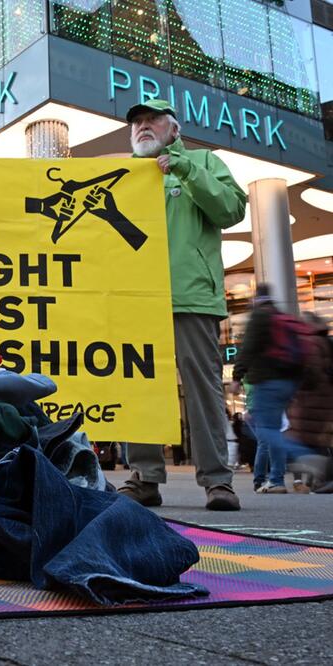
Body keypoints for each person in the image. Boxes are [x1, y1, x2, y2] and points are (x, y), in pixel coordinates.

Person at [117, 99, 246, 511]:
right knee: (137, 387)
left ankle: (217, 482)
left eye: (152, 119)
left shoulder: (203, 161)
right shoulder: (124, 176)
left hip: (190, 296)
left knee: (202, 387)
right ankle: (144, 476)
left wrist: (186, 170)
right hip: (136, 298)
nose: (142, 126)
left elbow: (231, 209)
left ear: (174, 130)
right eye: (136, 122)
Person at [231, 285, 331, 493]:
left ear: (256, 299)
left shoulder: (260, 317)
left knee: (266, 432)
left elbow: (248, 348)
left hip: (268, 382)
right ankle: (277, 478)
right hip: (290, 383)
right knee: (274, 430)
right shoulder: (283, 317)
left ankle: (299, 459)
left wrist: (237, 377)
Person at [283, 311, 333, 491]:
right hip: (326, 398)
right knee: (321, 440)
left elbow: (310, 372)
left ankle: (319, 478)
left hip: (310, 399)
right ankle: (319, 479)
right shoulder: (326, 341)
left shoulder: (310, 343)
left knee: (298, 439)